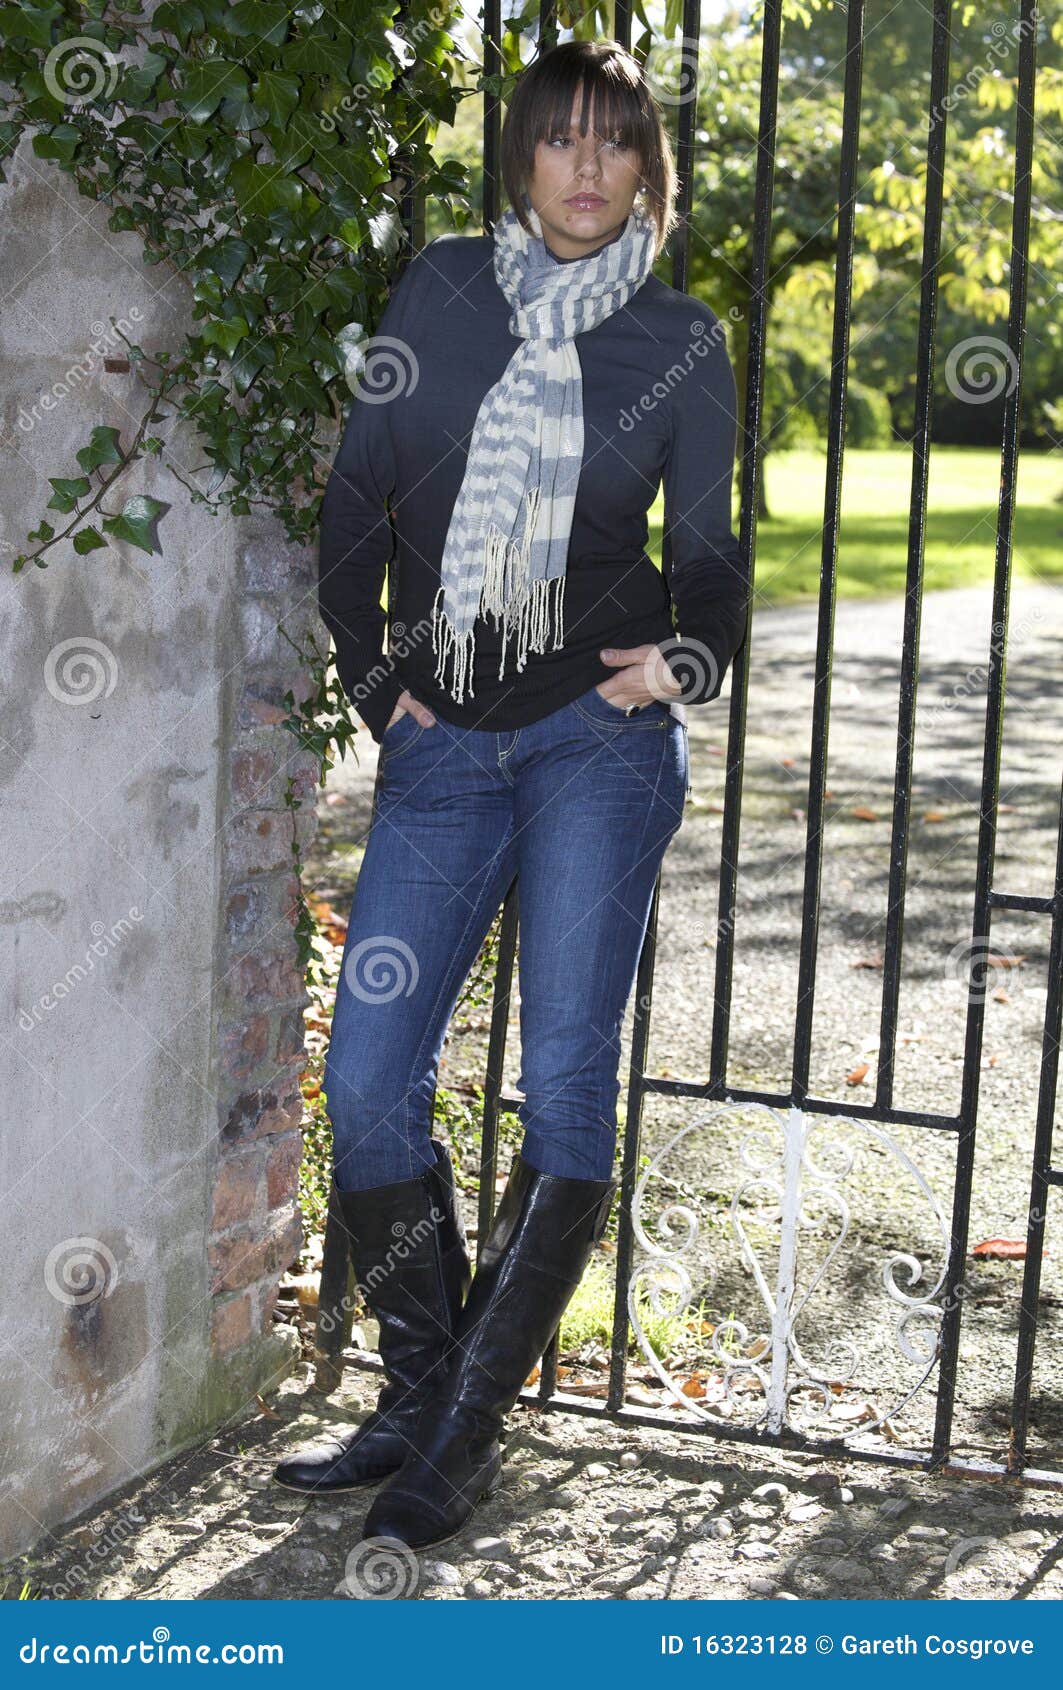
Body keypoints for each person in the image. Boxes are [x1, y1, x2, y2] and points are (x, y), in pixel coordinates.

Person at [272, 36, 748, 1550]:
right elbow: (359, 495)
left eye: (618, 143)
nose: (588, 169)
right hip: (443, 747)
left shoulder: (681, 339)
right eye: (562, 141)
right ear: (523, 158)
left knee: (562, 1082)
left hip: (597, 746)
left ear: (646, 169)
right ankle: (424, 1384)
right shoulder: (440, 297)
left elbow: (714, 551)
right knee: (365, 1081)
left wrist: (677, 661)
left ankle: (458, 1438)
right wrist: (376, 679)